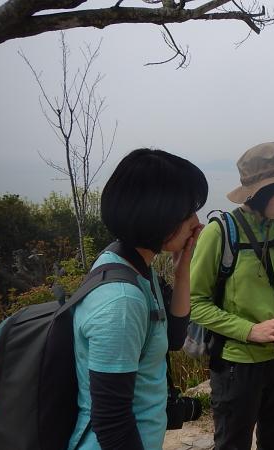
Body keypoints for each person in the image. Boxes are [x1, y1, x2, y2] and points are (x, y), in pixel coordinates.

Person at [67, 148, 208, 450]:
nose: (196, 222)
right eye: (187, 213)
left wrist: (182, 272)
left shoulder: (133, 265)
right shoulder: (121, 301)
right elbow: (112, 422)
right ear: (158, 215)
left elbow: (174, 338)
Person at [190, 142, 274, 450]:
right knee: (233, 443)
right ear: (259, 193)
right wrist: (251, 330)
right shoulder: (221, 232)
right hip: (237, 364)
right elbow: (195, 303)